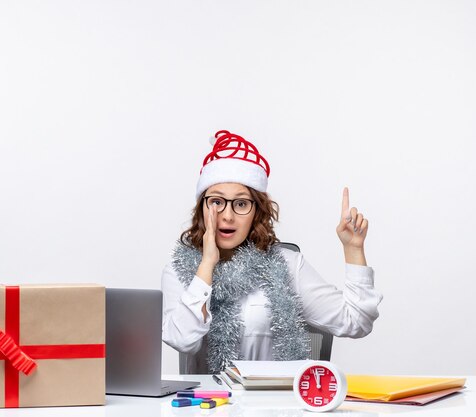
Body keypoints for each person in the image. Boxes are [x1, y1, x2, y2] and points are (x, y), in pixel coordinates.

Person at [162, 130, 383, 374]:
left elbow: (356, 322)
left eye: (241, 203)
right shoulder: (179, 269)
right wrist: (206, 266)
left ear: (257, 211)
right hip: (209, 408)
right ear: (202, 207)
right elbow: (182, 340)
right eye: (216, 201)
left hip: (276, 405)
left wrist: (353, 249)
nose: (227, 215)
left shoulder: (287, 265)